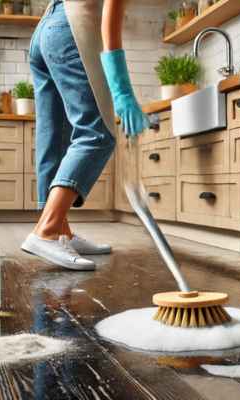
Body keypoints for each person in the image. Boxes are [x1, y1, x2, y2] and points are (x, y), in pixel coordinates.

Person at [21, 0, 147, 270]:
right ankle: (48, 229)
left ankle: (62, 231)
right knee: (97, 133)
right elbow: (109, 24)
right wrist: (122, 91)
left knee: (54, 137)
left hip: (45, 30)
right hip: (70, 29)